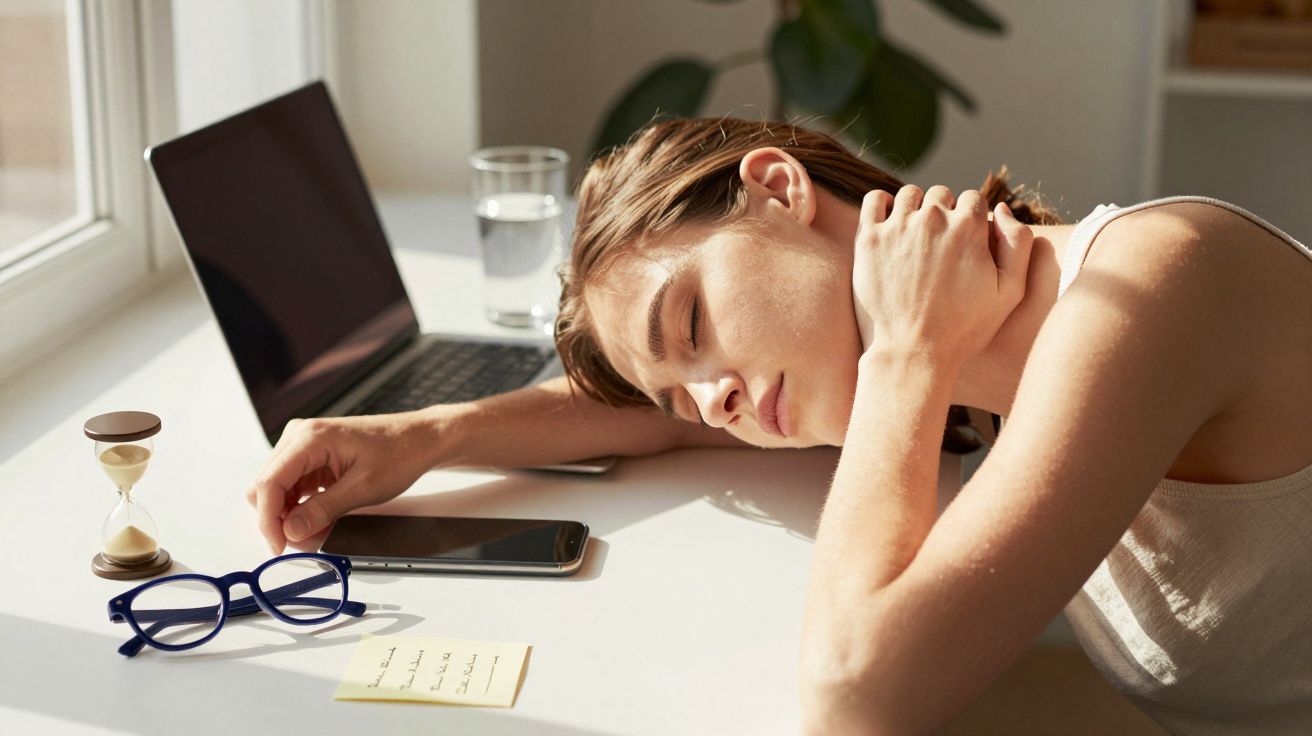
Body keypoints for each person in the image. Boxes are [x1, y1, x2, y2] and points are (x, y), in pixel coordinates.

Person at [246, 117, 1312, 734]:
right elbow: (648, 423)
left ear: (776, 187)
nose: (710, 399)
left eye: (693, 322)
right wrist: (418, 437)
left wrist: (905, 353)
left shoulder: (1152, 286)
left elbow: (858, 692)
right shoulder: (978, 364)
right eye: (681, 386)